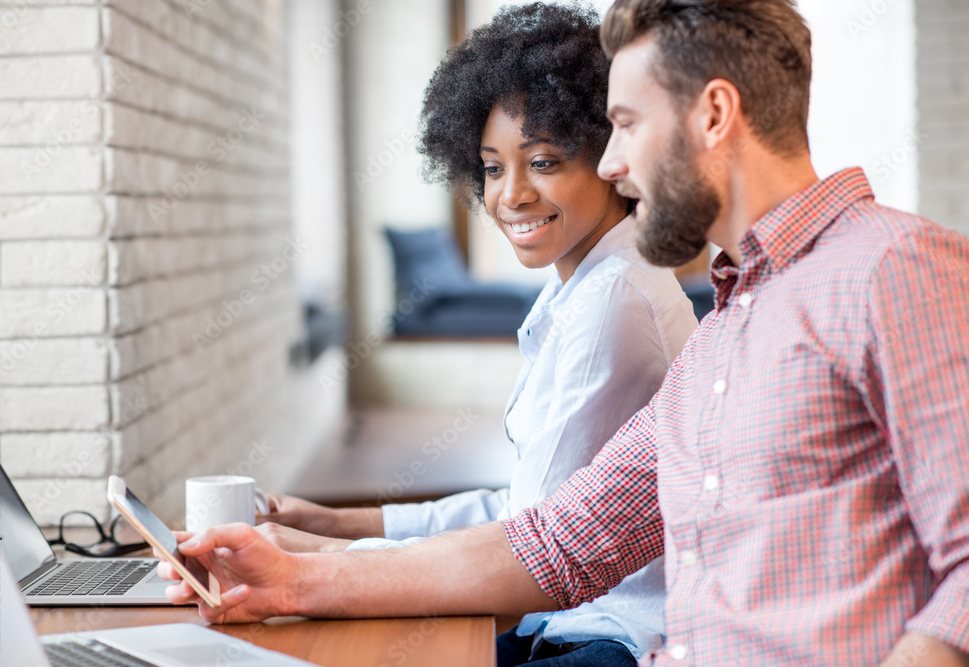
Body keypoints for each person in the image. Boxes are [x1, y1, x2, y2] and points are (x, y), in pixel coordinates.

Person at [157, 1, 969, 665]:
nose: (611, 163)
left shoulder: (893, 266)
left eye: (623, 124)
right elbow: (560, 541)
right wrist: (288, 580)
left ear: (714, 113)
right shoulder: (727, 331)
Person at [257, 5, 696, 665]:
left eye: (543, 161)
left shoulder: (613, 301)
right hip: (568, 612)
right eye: (492, 168)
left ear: (608, 157)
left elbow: (533, 555)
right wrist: (337, 523)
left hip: (613, 634)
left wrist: (310, 559)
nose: (511, 195)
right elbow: (528, 508)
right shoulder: (582, 283)